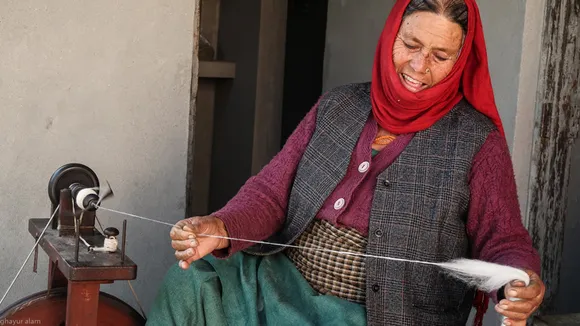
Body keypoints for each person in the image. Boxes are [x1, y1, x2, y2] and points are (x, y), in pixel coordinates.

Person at [147, 0, 545, 325]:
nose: (419, 66)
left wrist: (518, 280)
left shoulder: (476, 141)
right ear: (391, 36)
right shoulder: (338, 106)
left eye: (440, 55)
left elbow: (503, 237)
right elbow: (272, 193)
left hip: (377, 314)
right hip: (281, 284)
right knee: (189, 286)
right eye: (410, 44)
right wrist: (220, 228)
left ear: (460, 62)